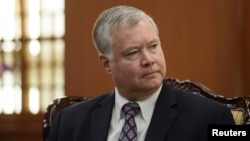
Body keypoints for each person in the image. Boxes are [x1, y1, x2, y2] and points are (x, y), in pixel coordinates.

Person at [46, 5, 235, 141]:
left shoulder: (211, 117)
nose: (149, 60)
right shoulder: (69, 122)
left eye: (153, 46)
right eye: (133, 53)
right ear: (106, 63)